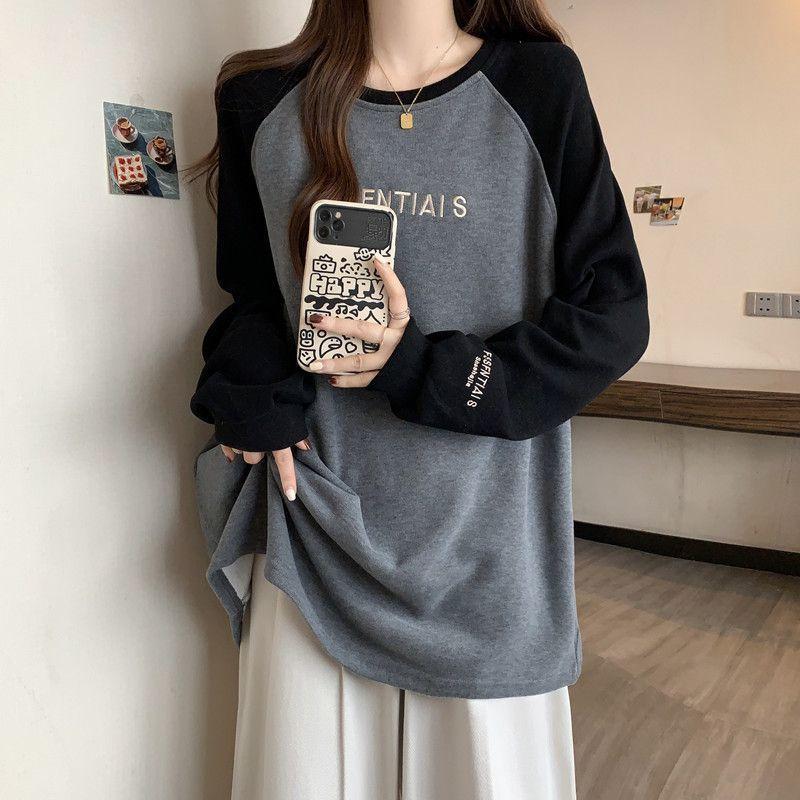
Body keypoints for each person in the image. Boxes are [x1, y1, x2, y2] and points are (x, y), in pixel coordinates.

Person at [187, 0, 650, 797]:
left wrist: (423, 370)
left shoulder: (540, 85)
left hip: (488, 551)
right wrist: (252, 392)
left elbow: (613, 316)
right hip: (314, 531)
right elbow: (255, 298)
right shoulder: (260, 98)